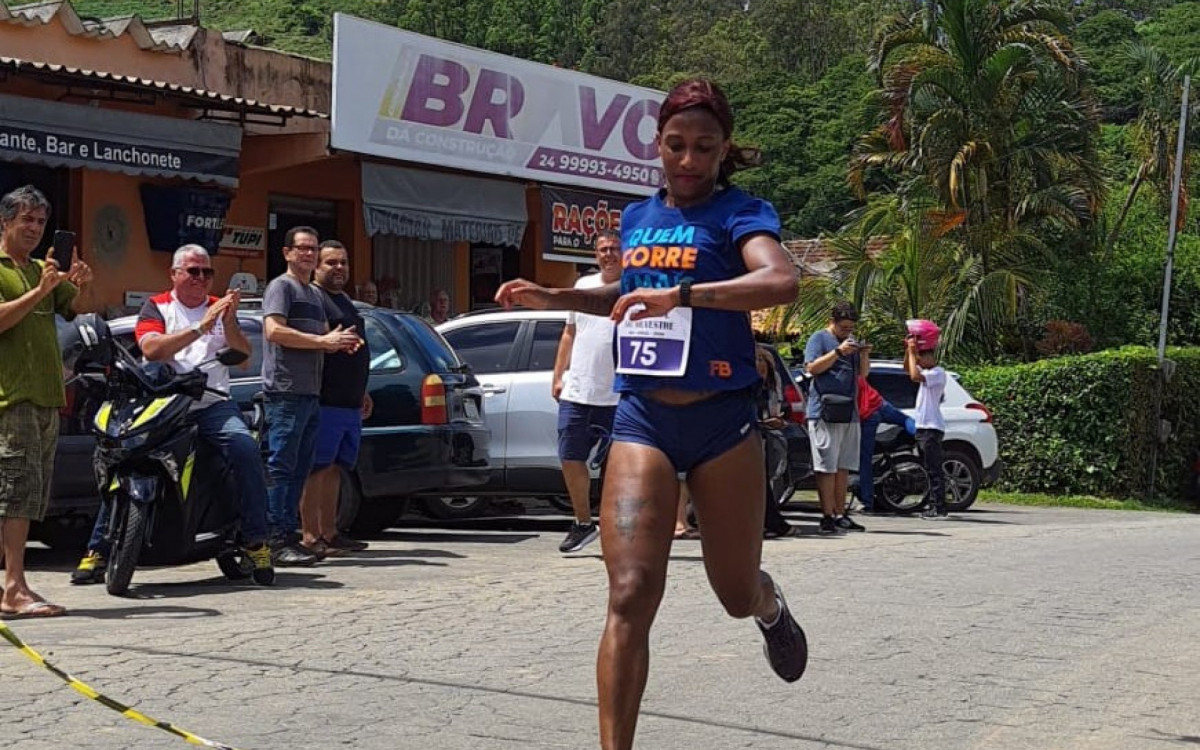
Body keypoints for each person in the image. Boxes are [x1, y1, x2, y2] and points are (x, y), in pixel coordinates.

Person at [495, 78, 807, 750]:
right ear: (657, 145)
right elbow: (626, 294)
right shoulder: (637, 219)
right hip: (643, 420)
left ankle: (769, 604)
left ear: (724, 151)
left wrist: (686, 295)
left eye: (704, 148)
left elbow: (780, 280)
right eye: (676, 145)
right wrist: (552, 295)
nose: (688, 160)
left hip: (723, 424)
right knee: (631, 591)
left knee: (731, 591)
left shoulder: (739, 213)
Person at [72, 245, 275, 586]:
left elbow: (241, 357)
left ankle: (257, 540)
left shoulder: (219, 308)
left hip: (211, 402)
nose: (200, 278)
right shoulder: (158, 306)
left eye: (207, 272)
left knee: (244, 448)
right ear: (175, 274)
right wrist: (200, 328)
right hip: (162, 401)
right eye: (193, 271)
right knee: (126, 459)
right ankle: (99, 550)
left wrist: (227, 322)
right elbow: (151, 348)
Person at [0, 185, 91, 618]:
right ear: (5, 222)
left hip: (45, 396)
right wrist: (40, 291)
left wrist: (76, 283)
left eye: (40, 221)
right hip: (9, 397)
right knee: (12, 493)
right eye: (27, 220)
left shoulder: (42, 268)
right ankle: (13, 589)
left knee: (30, 495)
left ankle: (15, 585)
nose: (35, 229)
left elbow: (74, 309)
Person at [262, 226, 360, 566]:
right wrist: (322, 342)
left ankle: (293, 537)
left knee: (301, 468)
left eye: (312, 249)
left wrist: (341, 341)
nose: (308, 254)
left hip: (311, 393)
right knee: (283, 468)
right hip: (285, 392)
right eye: (302, 249)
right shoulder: (281, 287)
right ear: (287, 253)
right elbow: (273, 330)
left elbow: (325, 333)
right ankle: (276, 539)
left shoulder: (314, 295)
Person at [550, 230, 622, 554]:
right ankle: (582, 522)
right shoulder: (582, 286)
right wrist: (558, 375)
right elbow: (569, 332)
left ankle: (613, 528)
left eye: (614, 248)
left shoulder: (634, 286)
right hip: (578, 387)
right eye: (603, 249)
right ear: (595, 255)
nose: (608, 254)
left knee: (616, 467)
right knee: (569, 455)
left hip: (618, 393)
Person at [298, 240, 371, 558]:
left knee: (337, 468)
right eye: (331, 262)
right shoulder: (313, 299)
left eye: (343, 262)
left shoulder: (344, 300)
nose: (339, 268)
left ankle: (331, 532)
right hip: (324, 398)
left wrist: (362, 390)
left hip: (349, 400)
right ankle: (310, 535)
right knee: (317, 467)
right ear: (316, 267)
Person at [804, 301, 865, 534]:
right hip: (824, 411)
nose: (847, 332)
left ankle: (841, 513)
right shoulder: (819, 339)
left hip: (849, 412)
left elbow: (863, 375)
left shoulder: (851, 343)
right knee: (826, 466)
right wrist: (837, 352)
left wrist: (863, 354)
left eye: (851, 328)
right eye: (844, 328)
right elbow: (812, 368)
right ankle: (827, 514)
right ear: (833, 322)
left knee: (843, 466)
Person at [855, 350, 916, 514]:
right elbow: (865, 371)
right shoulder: (855, 372)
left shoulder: (844, 376)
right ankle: (923, 437)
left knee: (864, 460)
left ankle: (867, 501)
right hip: (880, 403)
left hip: (867, 415)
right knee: (906, 421)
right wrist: (865, 353)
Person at [905, 333, 949, 519]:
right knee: (926, 468)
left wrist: (914, 351)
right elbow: (908, 370)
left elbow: (915, 376)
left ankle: (939, 507)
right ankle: (932, 503)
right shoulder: (926, 373)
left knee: (934, 469)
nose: (920, 360)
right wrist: (909, 350)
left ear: (932, 357)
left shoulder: (938, 373)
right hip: (923, 426)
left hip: (932, 427)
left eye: (923, 356)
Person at [757, 344, 797, 538]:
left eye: (763, 362)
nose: (760, 366)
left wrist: (779, 420)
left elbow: (784, 409)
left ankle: (769, 521)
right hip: (748, 435)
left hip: (768, 435)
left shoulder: (773, 386)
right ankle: (772, 522)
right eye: (756, 362)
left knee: (765, 480)